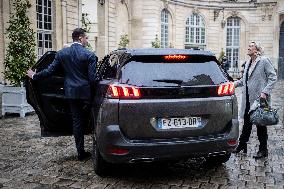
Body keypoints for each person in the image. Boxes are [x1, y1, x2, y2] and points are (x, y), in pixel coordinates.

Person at [27, 28, 97, 161]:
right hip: (86, 94)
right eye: (86, 38)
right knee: (93, 120)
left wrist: (34, 75)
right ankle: (96, 149)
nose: (87, 40)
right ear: (81, 38)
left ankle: (80, 152)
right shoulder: (90, 55)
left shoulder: (62, 54)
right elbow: (93, 79)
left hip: (71, 93)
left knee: (77, 121)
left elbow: (49, 71)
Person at [233, 41, 277, 159]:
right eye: (249, 45)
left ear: (257, 50)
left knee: (260, 125)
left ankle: (263, 150)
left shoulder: (263, 61)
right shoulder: (248, 63)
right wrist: (232, 84)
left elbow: (273, 77)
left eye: (251, 46)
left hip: (259, 99)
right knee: (247, 124)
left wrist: (265, 92)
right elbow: (243, 81)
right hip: (248, 99)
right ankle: (242, 145)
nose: (248, 47)